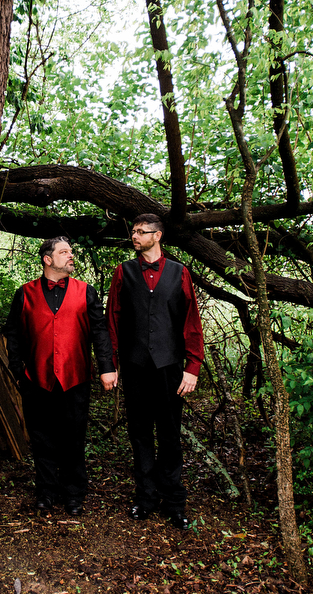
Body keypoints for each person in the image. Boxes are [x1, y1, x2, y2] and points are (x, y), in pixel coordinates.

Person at [2, 236, 118, 515]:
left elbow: (100, 332)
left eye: (71, 251)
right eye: (64, 252)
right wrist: (18, 370)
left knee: (74, 438)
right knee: (41, 439)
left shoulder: (86, 291)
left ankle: (74, 494)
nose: (71, 256)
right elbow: (13, 334)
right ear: (47, 259)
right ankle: (45, 493)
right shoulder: (25, 293)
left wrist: (106, 367)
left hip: (75, 377)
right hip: (36, 378)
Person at [106, 213, 204, 530]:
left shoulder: (180, 273)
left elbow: (191, 324)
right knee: (140, 435)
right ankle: (145, 499)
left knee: (170, 435)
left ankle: (174, 502)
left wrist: (193, 367)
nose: (134, 236)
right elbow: (112, 321)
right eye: (133, 231)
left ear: (157, 236)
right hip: (135, 367)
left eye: (140, 231)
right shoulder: (123, 272)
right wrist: (110, 365)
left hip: (170, 367)